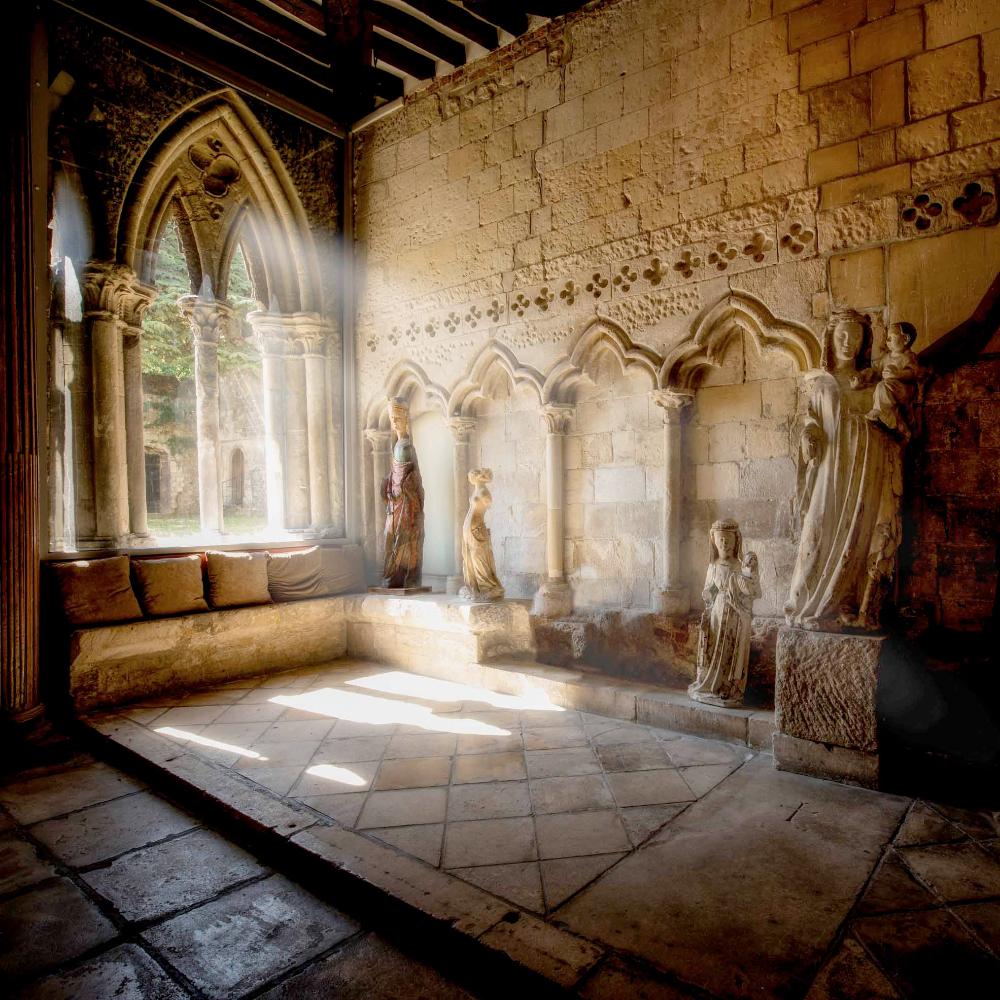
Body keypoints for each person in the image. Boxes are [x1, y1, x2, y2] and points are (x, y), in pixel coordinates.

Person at [784, 310, 908, 631]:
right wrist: (809, 433)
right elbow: (810, 419)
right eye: (841, 335)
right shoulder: (821, 383)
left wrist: (884, 423)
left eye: (855, 337)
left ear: (865, 342)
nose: (847, 342)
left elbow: (895, 424)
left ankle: (846, 603)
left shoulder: (876, 382)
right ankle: (807, 601)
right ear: (830, 338)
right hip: (830, 466)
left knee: (860, 532)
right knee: (820, 525)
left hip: (867, 463)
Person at [688, 519, 760, 708]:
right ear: (714, 541)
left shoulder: (740, 566)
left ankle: (728, 687)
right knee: (713, 647)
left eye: (728, 540)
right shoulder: (713, 566)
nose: (724, 544)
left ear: (736, 541)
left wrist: (748, 575)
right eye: (720, 540)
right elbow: (708, 590)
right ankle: (712, 684)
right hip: (717, 612)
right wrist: (709, 596)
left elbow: (750, 591)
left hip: (735, 615)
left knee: (730, 649)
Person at [380, 396, 425, 589]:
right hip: (395, 502)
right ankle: (396, 575)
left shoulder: (406, 446)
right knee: (390, 535)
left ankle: (403, 575)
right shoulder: (398, 445)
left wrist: (403, 489)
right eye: (392, 417)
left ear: (406, 418)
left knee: (402, 537)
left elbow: (412, 479)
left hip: (405, 503)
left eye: (397, 417)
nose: (394, 422)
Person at [860, 321, 923, 441]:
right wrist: (863, 376)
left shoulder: (908, 357)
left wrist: (898, 374)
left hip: (903, 390)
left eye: (891, 338)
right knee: (879, 387)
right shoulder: (886, 358)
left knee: (882, 386)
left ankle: (884, 415)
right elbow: (876, 371)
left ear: (905, 339)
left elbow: (915, 372)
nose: (887, 341)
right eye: (887, 338)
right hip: (888, 388)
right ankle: (892, 419)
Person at [460, 469, 504, 601]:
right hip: (469, 529)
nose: (469, 476)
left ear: (477, 477)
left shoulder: (484, 492)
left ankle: (487, 587)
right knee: (470, 558)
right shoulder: (477, 490)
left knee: (479, 558)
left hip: (477, 528)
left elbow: (487, 504)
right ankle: (474, 586)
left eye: (471, 474)